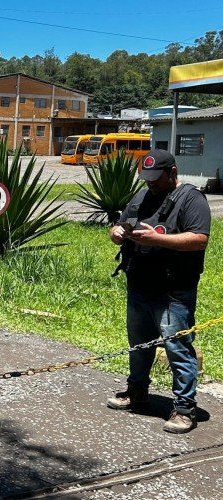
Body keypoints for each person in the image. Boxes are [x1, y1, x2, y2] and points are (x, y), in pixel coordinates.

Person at [107, 149, 211, 434]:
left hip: (173, 290)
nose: (151, 184)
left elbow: (199, 239)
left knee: (178, 348)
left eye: (156, 179)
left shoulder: (192, 199)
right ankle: (136, 392)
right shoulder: (141, 197)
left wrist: (159, 240)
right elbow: (120, 224)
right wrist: (116, 232)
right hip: (139, 285)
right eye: (147, 179)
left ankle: (184, 408)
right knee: (139, 346)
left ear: (173, 173)